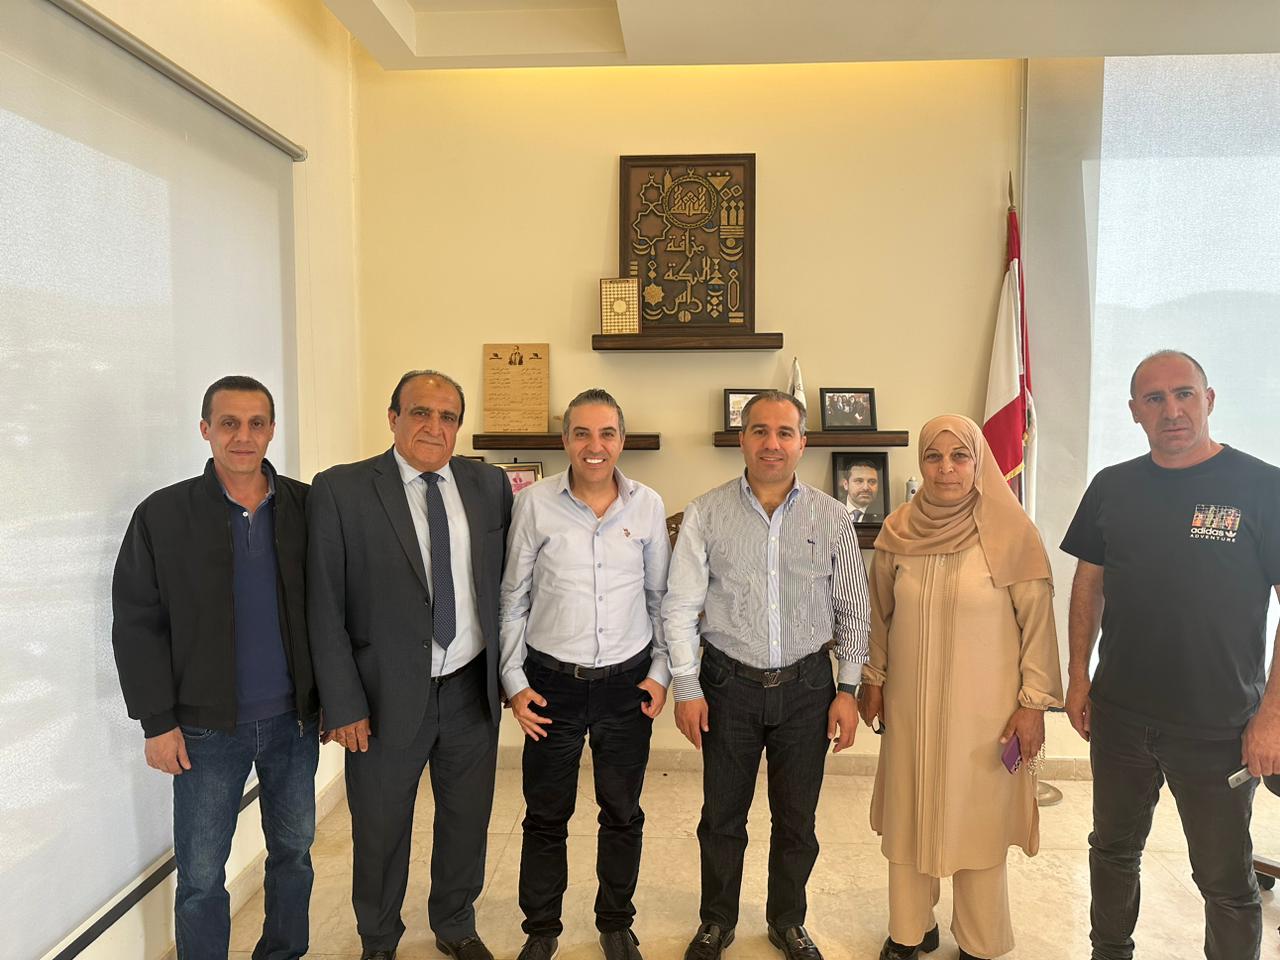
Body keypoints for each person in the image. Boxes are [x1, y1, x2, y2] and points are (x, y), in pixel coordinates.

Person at [1060, 350, 1280, 960]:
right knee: (1112, 850)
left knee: (1224, 880)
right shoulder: (1112, 486)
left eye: (1184, 394)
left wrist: (1272, 716)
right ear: (1135, 411)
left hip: (1219, 727)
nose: (1172, 410)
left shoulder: (1263, 487)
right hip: (1121, 718)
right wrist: (1078, 676)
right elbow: (1088, 584)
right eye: (1154, 399)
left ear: (1209, 400)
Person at [307, 369, 513, 960]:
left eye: (448, 416)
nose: (434, 426)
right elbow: (323, 605)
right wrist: (342, 704)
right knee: (380, 827)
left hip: (470, 689)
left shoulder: (488, 484)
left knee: (467, 820)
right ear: (393, 417)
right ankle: (378, 938)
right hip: (381, 698)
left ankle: (455, 922)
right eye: (420, 412)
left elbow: (504, 585)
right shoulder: (342, 490)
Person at [111, 376, 319, 960]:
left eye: (256, 423)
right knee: (202, 875)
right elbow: (136, 624)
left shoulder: (307, 508)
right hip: (204, 729)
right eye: (229, 423)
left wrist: (334, 701)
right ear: (205, 429)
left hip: (294, 723)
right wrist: (156, 722)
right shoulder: (162, 515)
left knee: (294, 853)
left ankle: (283, 952)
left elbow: (336, 609)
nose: (243, 436)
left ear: (272, 430)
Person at [663, 390, 870, 960]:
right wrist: (687, 688)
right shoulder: (707, 512)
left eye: (784, 432)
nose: (772, 443)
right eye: (760, 431)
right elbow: (680, 608)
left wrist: (848, 689)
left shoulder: (832, 516)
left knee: (797, 819)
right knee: (721, 817)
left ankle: (788, 921)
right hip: (726, 686)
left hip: (808, 688)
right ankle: (716, 920)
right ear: (742, 439)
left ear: (802, 442)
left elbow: (852, 609)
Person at [858, 414, 1062, 960]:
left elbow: (1038, 627)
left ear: (979, 463)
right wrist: (873, 680)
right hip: (910, 708)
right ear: (921, 463)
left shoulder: (1012, 533)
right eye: (934, 456)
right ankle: (910, 930)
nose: (946, 469)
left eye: (959, 456)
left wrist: (1034, 705)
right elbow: (878, 615)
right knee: (909, 812)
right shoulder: (899, 531)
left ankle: (979, 939)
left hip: (986, 715)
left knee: (978, 821)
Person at [499, 388, 671, 960]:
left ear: (622, 440)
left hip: (627, 686)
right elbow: (513, 599)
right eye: (582, 434)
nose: (594, 446)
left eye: (606, 434)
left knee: (622, 812)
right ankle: (541, 929)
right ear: (565, 440)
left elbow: (660, 599)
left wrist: (661, 673)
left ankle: (616, 922)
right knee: (546, 815)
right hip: (551, 685)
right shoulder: (534, 504)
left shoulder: (647, 506)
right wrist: (515, 683)